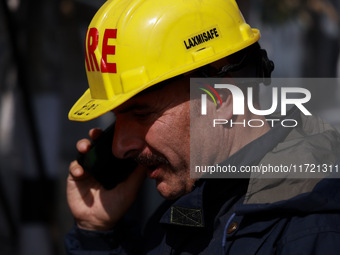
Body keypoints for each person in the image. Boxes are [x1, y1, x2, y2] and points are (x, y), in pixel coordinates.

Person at [65, 0, 340, 254]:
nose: (119, 146)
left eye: (141, 112)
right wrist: (96, 231)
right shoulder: (189, 209)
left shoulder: (312, 229)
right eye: (117, 118)